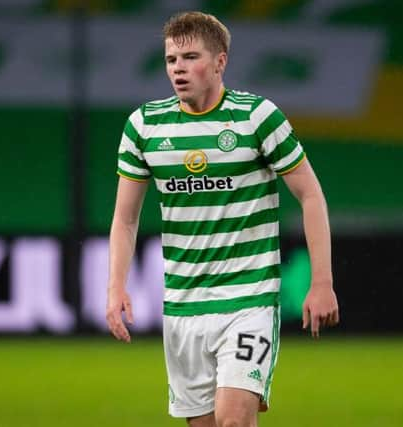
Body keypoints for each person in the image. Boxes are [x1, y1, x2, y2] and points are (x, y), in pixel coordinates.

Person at [106, 11, 339, 427]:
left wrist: (322, 282)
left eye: (190, 57)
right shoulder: (143, 126)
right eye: (171, 59)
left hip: (248, 297)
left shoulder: (257, 117)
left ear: (220, 62)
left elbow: (311, 195)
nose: (178, 69)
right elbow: (125, 219)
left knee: (234, 421)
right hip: (183, 305)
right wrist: (114, 287)